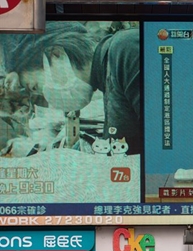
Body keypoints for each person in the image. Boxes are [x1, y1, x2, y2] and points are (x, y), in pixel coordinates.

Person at [2, 21, 141, 155]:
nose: (45, 96)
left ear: (56, 54)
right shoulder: (108, 80)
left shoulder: (126, 50)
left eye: (35, 87)